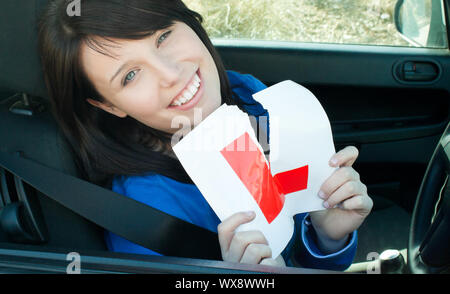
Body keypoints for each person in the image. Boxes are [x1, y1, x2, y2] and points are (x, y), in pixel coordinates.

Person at [38, 0, 373, 269]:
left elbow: (297, 232)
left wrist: (328, 239)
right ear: (109, 106)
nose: (171, 74)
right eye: (131, 75)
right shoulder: (144, 216)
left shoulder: (247, 94)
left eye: (162, 36)